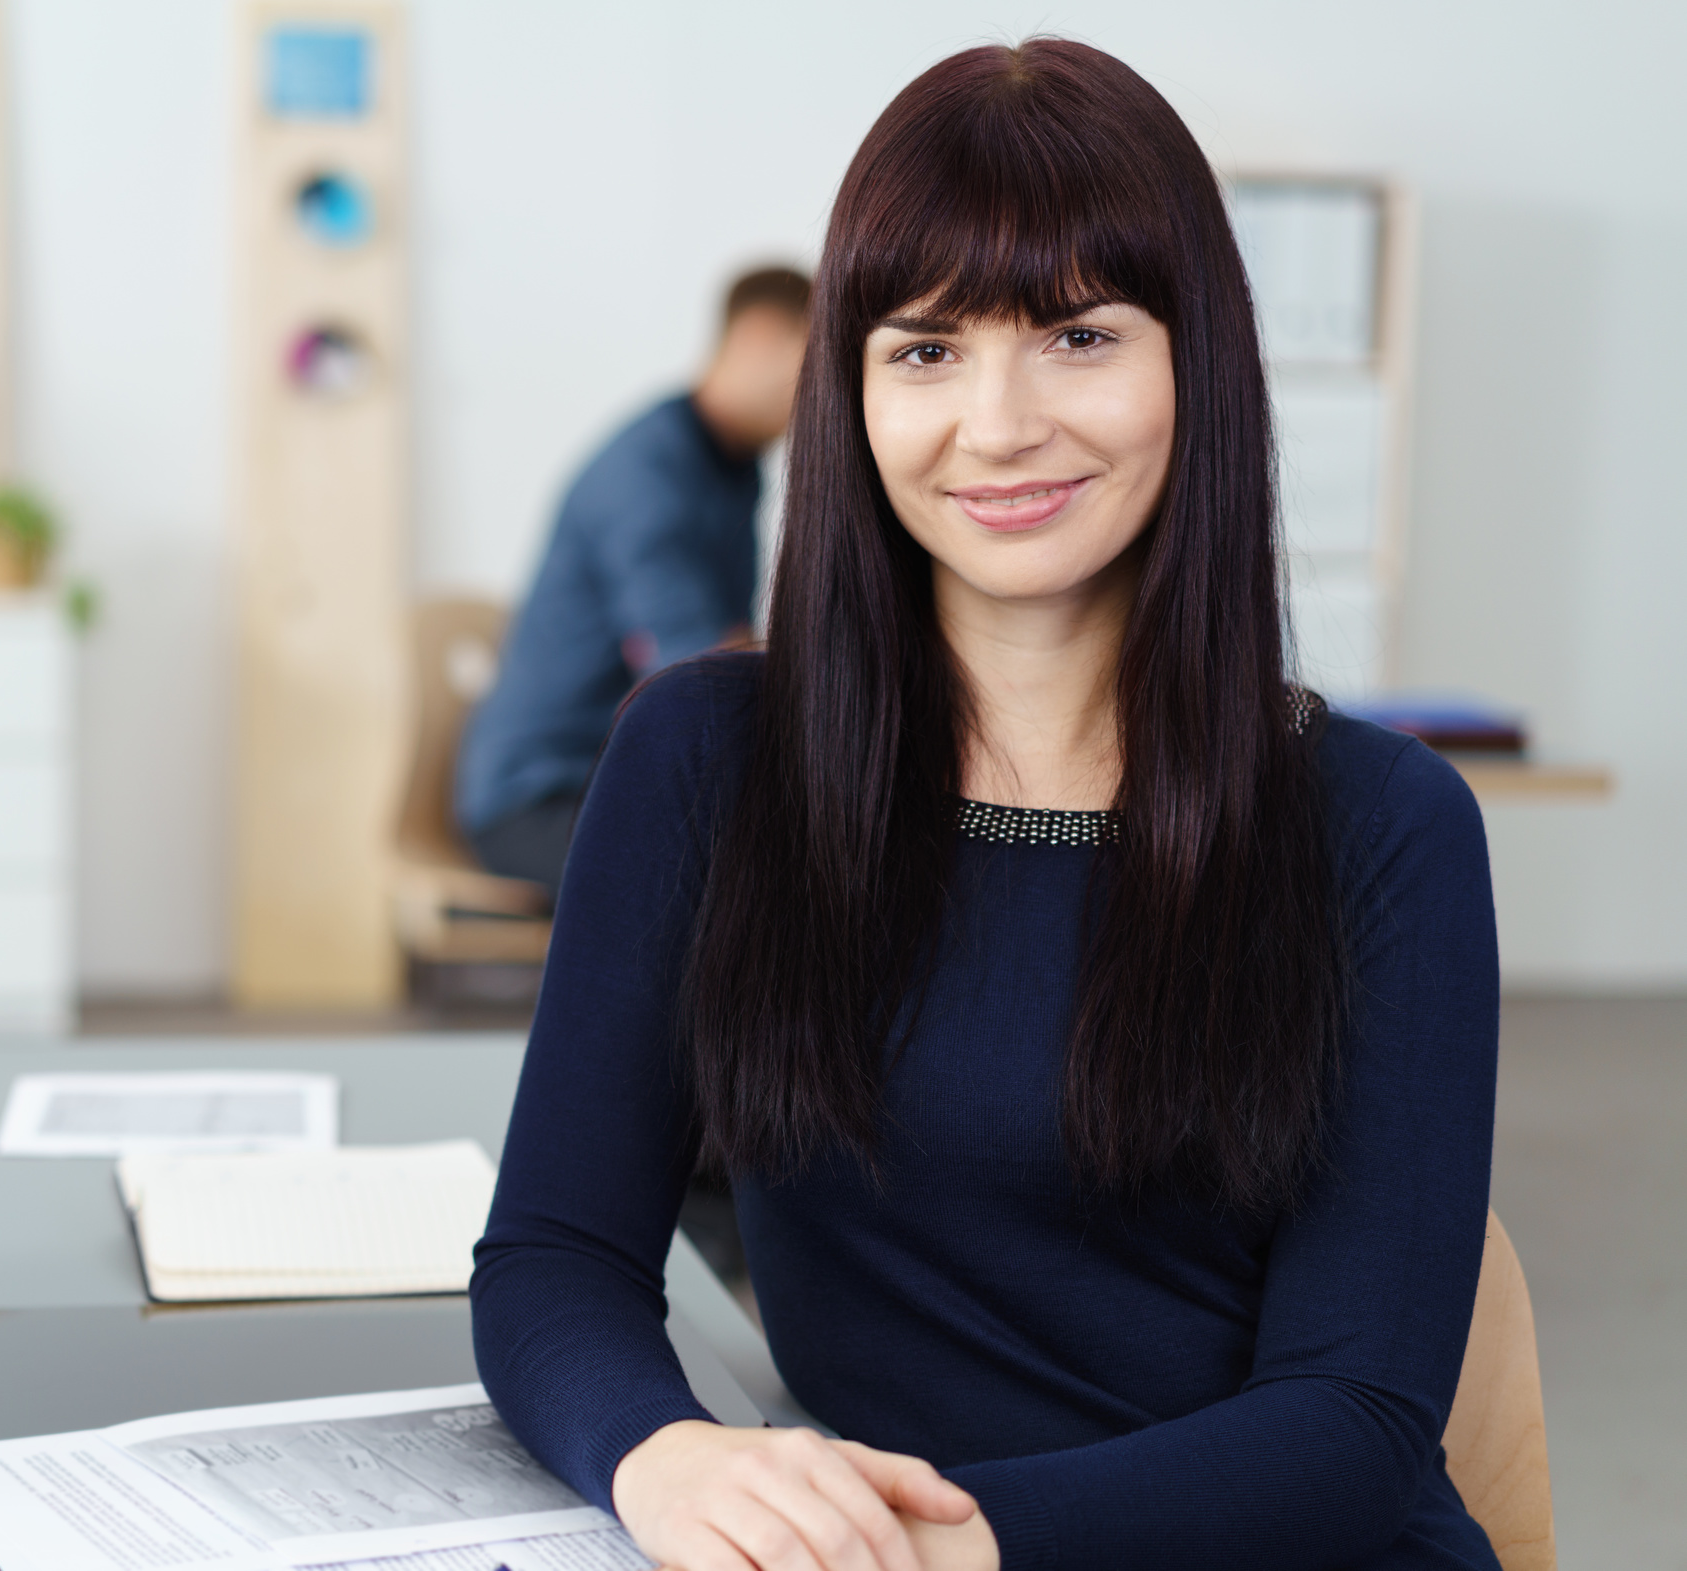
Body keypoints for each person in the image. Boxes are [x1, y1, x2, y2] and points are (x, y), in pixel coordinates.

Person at [470, 38, 1499, 1571]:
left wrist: (944, 1547)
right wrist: (663, 1455)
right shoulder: (703, 761)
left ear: (1192, 361)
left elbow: (1352, 1417)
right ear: (851, 387)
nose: (998, 423)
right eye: (925, 348)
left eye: (1077, 337)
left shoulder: (1376, 822)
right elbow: (554, 1254)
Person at [455, 267, 811, 903]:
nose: (824, 400)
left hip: (615, 777)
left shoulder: (732, 467)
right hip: (538, 794)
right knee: (751, 872)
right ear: (759, 338)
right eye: (816, 369)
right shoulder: (645, 474)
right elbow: (693, 665)